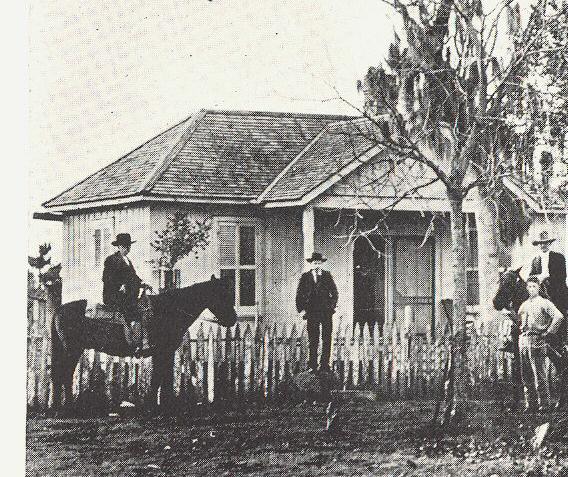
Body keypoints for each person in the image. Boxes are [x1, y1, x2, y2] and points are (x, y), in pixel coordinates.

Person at [517, 276, 564, 413]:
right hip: (524, 341)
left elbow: (559, 316)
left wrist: (549, 332)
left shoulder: (544, 303)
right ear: (526, 288)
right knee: (526, 376)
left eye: (534, 287)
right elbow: (519, 319)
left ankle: (544, 404)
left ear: (539, 288)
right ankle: (530, 404)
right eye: (529, 287)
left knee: (539, 375)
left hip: (537, 341)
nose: (531, 289)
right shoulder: (524, 305)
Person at [103, 233, 148, 355]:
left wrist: (142, 283)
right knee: (133, 312)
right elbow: (107, 278)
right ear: (118, 247)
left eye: (128, 246)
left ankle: (139, 339)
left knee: (144, 308)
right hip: (114, 296)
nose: (127, 248)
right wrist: (119, 285)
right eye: (124, 246)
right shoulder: (111, 260)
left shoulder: (128, 261)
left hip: (128, 296)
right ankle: (133, 343)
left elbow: (133, 277)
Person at [296, 252, 338, 373]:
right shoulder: (305, 277)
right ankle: (312, 365)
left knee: (326, 338)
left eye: (319, 263)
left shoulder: (327, 275)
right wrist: (302, 309)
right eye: (315, 263)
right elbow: (299, 294)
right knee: (313, 339)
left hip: (326, 312)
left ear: (322, 264)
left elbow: (335, 292)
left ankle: (325, 364)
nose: (317, 265)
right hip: (312, 312)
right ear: (311, 264)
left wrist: (331, 305)